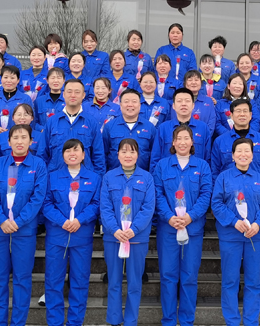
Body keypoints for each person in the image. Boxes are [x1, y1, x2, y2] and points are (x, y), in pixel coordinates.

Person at [0, 124, 48, 326]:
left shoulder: (38, 165)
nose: (19, 141)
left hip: (24, 231)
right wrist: (2, 220)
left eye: (24, 137)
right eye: (15, 137)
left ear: (31, 141)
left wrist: (18, 222)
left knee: (22, 279)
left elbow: (37, 198)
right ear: (8, 141)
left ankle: (18, 323)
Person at [152, 126, 213, 326]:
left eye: (187, 138)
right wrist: (169, 217)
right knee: (168, 276)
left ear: (192, 142)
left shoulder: (202, 166)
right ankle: (169, 320)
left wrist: (190, 216)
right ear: (173, 142)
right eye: (179, 138)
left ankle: (187, 320)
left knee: (189, 277)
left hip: (192, 230)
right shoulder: (162, 165)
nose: (183, 142)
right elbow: (157, 194)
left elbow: (206, 195)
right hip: (168, 229)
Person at [212, 138, 260, 326]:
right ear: (232, 155)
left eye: (247, 151)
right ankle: (232, 321)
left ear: (252, 156)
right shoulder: (223, 178)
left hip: (255, 236)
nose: (243, 154)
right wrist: (233, 221)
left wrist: (258, 224)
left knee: (253, 282)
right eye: (239, 151)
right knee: (230, 281)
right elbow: (216, 203)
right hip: (231, 236)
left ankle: (251, 321)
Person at [43, 139, 101, 326]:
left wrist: (79, 220)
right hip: (57, 237)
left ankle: (75, 322)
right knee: (53, 282)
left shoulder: (94, 178)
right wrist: (62, 221)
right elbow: (46, 204)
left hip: (81, 236)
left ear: (83, 155)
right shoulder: (52, 177)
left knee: (80, 282)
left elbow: (96, 204)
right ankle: (55, 322)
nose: (72, 154)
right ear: (63, 155)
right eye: (68, 151)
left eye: (76, 150)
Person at [100, 138, 155, 326]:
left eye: (132, 151)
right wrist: (115, 230)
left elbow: (148, 208)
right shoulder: (109, 177)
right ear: (118, 155)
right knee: (114, 282)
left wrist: (134, 229)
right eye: (124, 151)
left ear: (138, 155)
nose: (128, 155)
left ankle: (131, 321)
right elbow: (105, 207)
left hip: (137, 238)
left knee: (134, 283)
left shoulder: (147, 178)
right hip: (113, 238)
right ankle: (114, 320)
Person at [38, 79, 106, 175]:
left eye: (77, 92)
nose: (73, 95)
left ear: (83, 95)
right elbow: (42, 154)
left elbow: (98, 156)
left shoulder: (91, 122)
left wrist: (97, 179)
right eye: (69, 92)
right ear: (63, 94)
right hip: (55, 178)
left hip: (85, 179)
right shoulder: (52, 121)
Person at [210, 99, 260, 179]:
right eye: (238, 111)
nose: (242, 114)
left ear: (250, 115)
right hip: (229, 186)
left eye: (245, 111)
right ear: (231, 115)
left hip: (257, 186)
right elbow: (215, 172)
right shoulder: (220, 141)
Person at [150, 89, 211, 171]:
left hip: (195, 176)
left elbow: (207, 158)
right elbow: (155, 158)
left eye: (187, 101)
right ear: (174, 106)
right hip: (168, 176)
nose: (183, 104)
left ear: (193, 105)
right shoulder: (163, 128)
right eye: (179, 101)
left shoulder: (203, 128)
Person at [101, 90, 156, 171]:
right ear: (120, 105)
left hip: (143, 175)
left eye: (134, 101)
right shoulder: (109, 126)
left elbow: (154, 155)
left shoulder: (149, 127)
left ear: (139, 105)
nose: (130, 105)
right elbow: (103, 154)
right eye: (126, 101)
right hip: (114, 175)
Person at [0, 65, 34, 134]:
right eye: (5, 77)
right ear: (1, 79)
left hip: (18, 137)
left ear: (18, 80)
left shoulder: (25, 99)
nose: (8, 81)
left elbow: (31, 120)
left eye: (12, 78)